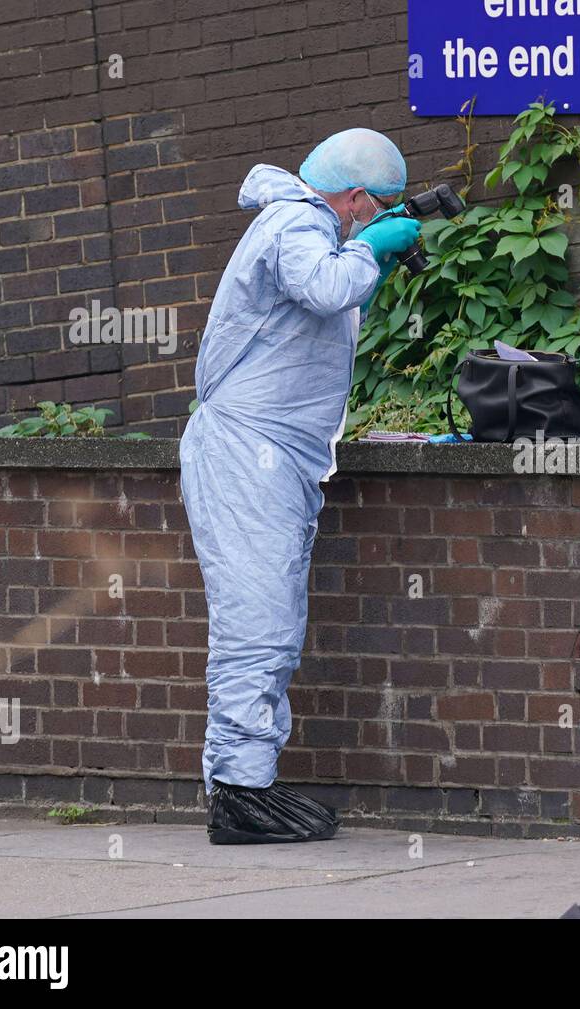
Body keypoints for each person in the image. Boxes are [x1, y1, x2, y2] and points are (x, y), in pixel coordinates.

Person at [179, 129, 421, 844]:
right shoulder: (297, 220)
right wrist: (370, 250)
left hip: (273, 453)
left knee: (271, 619)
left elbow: (325, 318)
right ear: (354, 199)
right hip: (248, 451)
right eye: (379, 210)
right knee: (256, 620)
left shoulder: (306, 226)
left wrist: (370, 259)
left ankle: (250, 778)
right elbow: (323, 289)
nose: (378, 222)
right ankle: (239, 791)